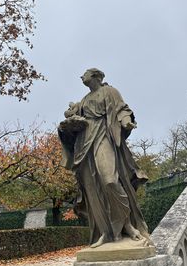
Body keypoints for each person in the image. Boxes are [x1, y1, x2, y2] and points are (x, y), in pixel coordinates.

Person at [58, 68, 152, 248]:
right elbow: (71, 115)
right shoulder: (84, 100)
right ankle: (106, 233)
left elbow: (122, 109)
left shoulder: (109, 91)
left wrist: (126, 121)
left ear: (95, 76)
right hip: (84, 142)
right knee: (93, 189)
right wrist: (70, 119)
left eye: (84, 74)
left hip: (103, 135)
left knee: (109, 180)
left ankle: (127, 226)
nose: (81, 77)